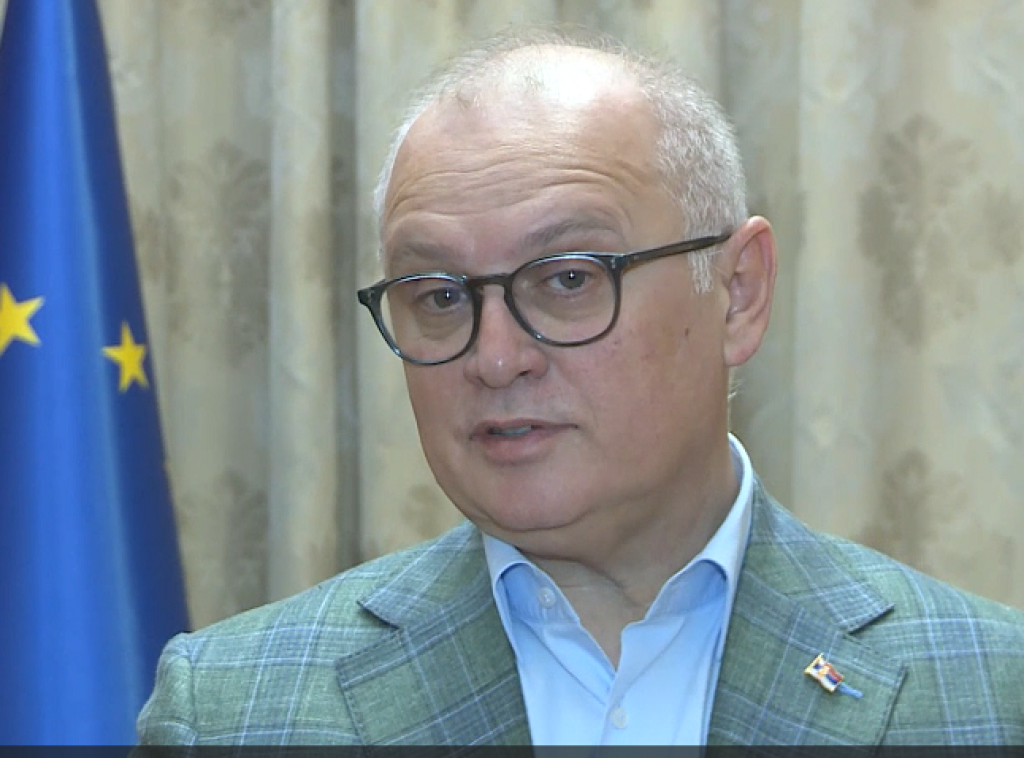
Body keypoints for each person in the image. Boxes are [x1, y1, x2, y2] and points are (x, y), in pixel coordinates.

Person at [137, 29, 1024, 746]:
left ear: (738, 293)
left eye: (568, 278)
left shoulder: (990, 693)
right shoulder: (232, 711)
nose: (495, 359)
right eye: (439, 296)